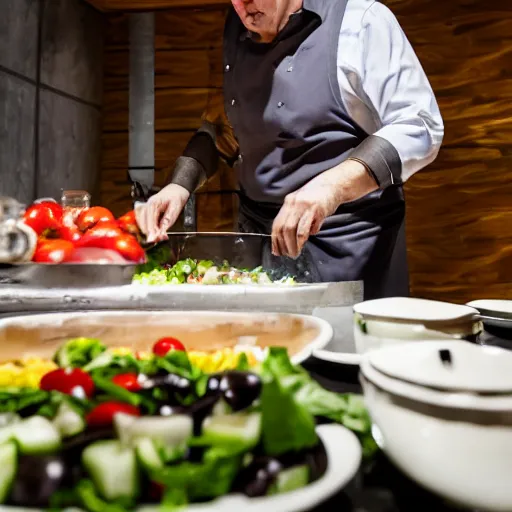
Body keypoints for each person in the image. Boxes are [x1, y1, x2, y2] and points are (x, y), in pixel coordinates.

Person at [136, 0, 444, 299]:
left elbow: (419, 125)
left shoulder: (361, 22)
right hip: (257, 244)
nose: (242, 4)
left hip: (346, 245)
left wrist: (330, 187)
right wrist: (179, 185)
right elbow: (225, 128)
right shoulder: (237, 26)